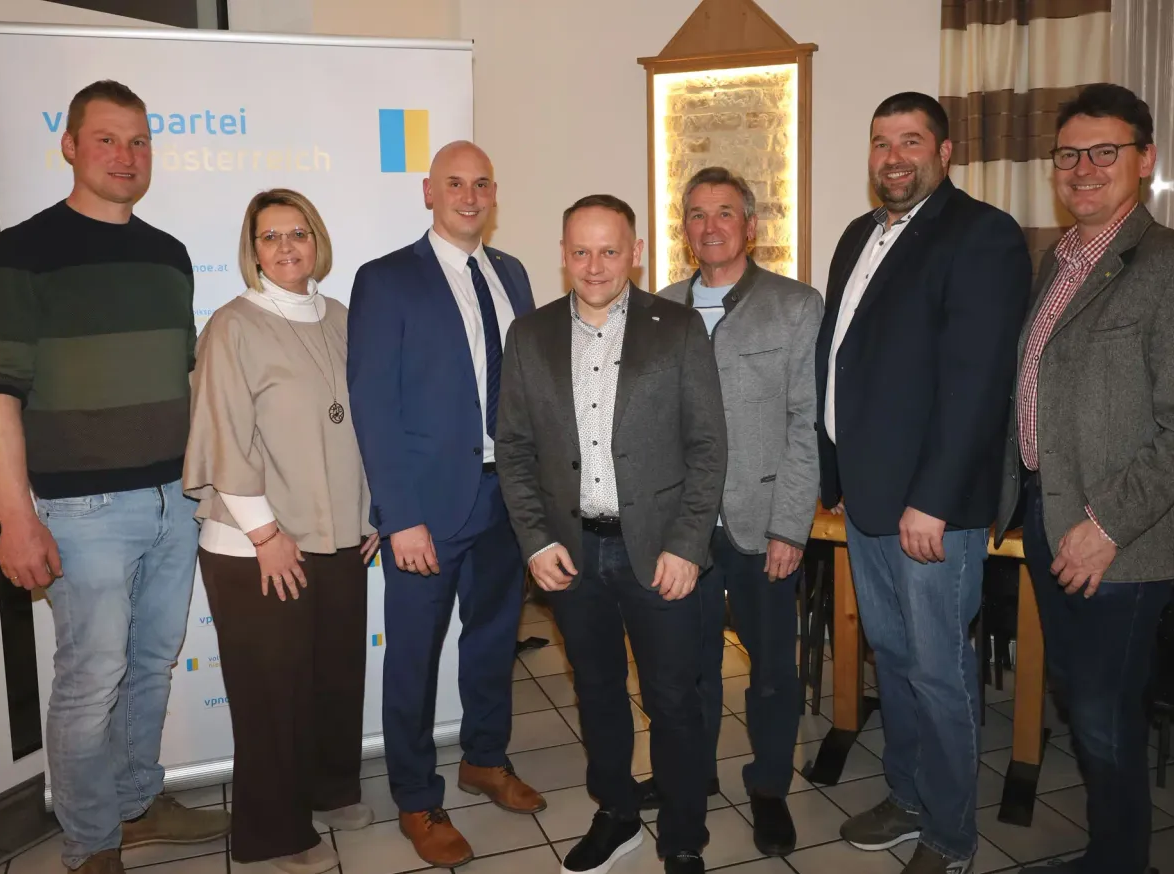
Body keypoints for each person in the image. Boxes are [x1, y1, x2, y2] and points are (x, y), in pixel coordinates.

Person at [0, 80, 229, 874]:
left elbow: (183, 382)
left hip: (173, 501)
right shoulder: (22, 253)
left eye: (140, 140)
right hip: (83, 512)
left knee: (151, 663)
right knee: (91, 680)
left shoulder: (168, 254)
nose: (126, 155)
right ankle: (90, 845)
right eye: (108, 139)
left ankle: (135, 803)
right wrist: (17, 519)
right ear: (71, 147)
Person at [997, 84, 1174, 874]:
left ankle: (1121, 861)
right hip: (1047, 518)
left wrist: (1104, 527)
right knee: (1083, 702)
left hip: (1119, 540)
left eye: (1105, 151)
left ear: (1146, 159)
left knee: (1105, 716)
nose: (1084, 168)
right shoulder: (1056, 260)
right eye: (1069, 154)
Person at [814, 92, 1031, 874]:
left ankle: (950, 834)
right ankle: (906, 796)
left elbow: (977, 382)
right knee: (894, 658)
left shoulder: (982, 235)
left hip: (929, 511)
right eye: (880, 142)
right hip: (866, 498)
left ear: (945, 153)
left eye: (911, 141)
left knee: (940, 673)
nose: (893, 156)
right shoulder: (856, 236)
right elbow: (841, 359)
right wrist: (832, 470)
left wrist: (932, 501)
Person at [497, 194, 728, 874]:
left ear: (636, 253)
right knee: (596, 692)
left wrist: (688, 545)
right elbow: (512, 450)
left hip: (659, 553)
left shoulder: (679, 328)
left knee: (672, 698)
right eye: (580, 251)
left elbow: (708, 446)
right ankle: (617, 811)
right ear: (563, 254)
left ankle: (684, 833)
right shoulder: (530, 335)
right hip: (571, 552)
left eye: (608, 250)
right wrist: (536, 541)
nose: (594, 265)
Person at [346, 141, 542, 868]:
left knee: (494, 643)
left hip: (504, 501)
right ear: (429, 192)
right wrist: (398, 517)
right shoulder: (386, 279)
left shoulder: (513, 274)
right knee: (415, 662)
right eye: (454, 183)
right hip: (425, 509)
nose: (469, 195)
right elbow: (372, 404)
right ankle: (417, 798)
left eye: (481, 183)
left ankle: (485, 759)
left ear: (495, 192)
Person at [183, 189, 379, 874]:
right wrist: (266, 536)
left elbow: (365, 422)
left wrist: (372, 510)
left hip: (338, 536)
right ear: (252, 249)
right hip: (256, 544)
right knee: (274, 695)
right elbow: (223, 438)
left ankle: (329, 789)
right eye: (270, 237)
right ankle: (274, 830)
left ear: (317, 239)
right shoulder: (233, 326)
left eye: (298, 233)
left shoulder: (342, 317)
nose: (287, 247)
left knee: (333, 677)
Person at [655, 167, 823, 856]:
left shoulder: (794, 306)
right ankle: (690, 780)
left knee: (772, 673)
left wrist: (792, 524)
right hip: (684, 531)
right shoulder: (658, 308)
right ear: (684, 227)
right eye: (697, 214)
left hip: (763, 526)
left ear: (750, 225)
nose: (710, 226)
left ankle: (770, 786)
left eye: (725, 212)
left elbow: (805, 424)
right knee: (686, 669)